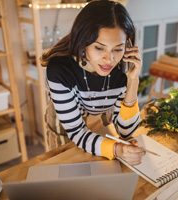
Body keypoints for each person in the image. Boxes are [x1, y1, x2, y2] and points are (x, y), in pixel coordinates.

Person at [41, 0, 145, 166]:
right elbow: (77, 133)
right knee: (64, 167)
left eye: (118, 49)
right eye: (99, 48)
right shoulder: (59, 69)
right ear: (83, 42)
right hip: (66, 122)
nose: (109, 60)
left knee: (98, 165)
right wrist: (118, 149)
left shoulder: (124, 67)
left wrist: (133, 81)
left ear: (128, 46)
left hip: (101, 113)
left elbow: (126, 132)